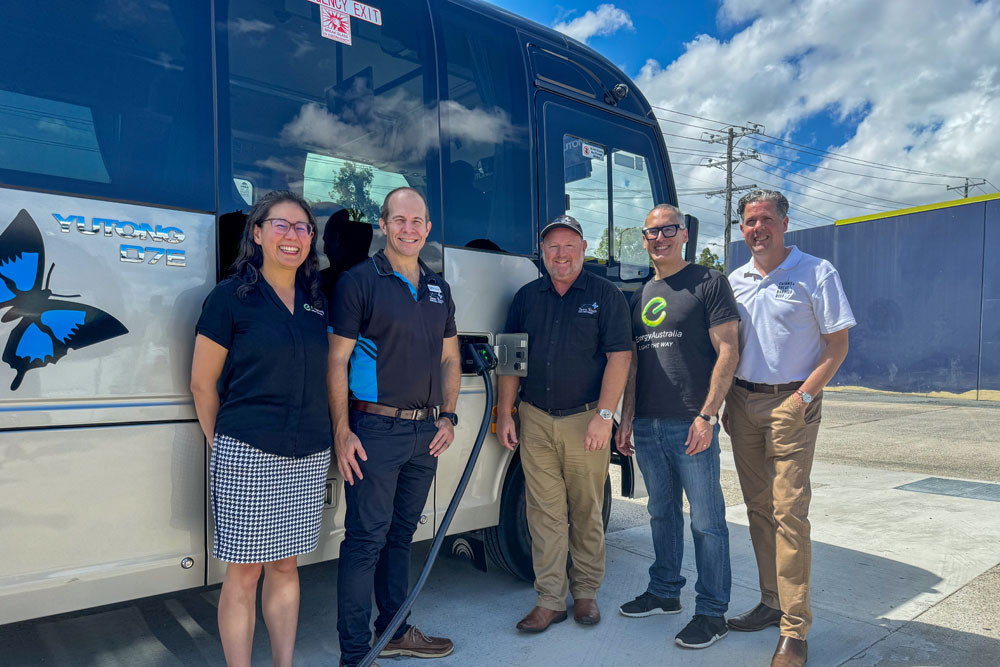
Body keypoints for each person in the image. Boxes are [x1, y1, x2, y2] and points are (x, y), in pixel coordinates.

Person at [190, 190, 332, 667]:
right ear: (257, 233)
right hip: (248, 452)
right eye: (281, 225)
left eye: (302, 228)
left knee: (286, 565)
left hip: (308, 452)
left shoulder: (316, 302)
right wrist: (225, 444)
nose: (292, 236)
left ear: (312, 240)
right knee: (245, 574)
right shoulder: (229, 298)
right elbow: (202, 384)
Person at [328, 187, 460, 667]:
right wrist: (343, 431)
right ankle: (355, 654)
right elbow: (337, 361)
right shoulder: (359, 282)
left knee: (401, 536)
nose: (409, 228)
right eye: (398, 220)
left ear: (427, 228)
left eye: (417, 221)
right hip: (375, 431)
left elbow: (451, 357)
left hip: (425, 435)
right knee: (365, 540)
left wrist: (449, 415)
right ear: (383, 225)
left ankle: (396, 630)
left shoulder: (438, 288)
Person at [724, 190, 855, 667]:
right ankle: (769, 602)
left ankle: (795, 629)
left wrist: (803, 397)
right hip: (742, 403)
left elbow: (836, 346)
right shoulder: (734, 279)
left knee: (790, 514)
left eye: (765, 220)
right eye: (748, 222)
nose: (756, 228)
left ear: (784, 223)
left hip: (791, 404)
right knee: (758, 511)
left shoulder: (815, 272)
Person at [496, 214, 632, 633]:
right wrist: (505, 412)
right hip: (534, 419)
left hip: (586, 421)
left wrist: (604, 418)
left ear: (583, 249)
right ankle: (550, 600)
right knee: (543, 513)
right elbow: (509, 358)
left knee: (587, 509)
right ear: (542, 253)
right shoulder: (526, 297)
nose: (561, 254)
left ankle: (586, 594)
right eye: (552, 246)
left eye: (569, 245)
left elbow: (620, 358)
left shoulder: (605, 296)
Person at [615, 204, 740, 649]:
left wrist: (707, 415)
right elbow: (633, 367)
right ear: (644, 239)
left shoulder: (709, 282)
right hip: (648, 425)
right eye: (651, 232)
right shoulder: (642, 292)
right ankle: (666, 592)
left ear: (684, 234)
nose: (660, 237)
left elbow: (729, 351)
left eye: (668, 229)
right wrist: (627, 418)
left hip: (692, 425)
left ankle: (712, 613)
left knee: (707, 522)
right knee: (661, 514)